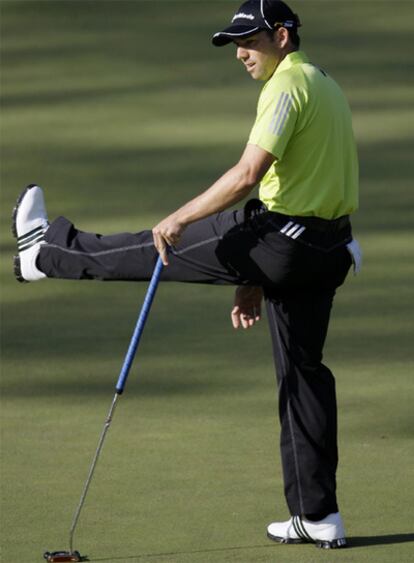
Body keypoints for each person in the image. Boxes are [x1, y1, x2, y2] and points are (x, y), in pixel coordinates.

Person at [12, 0, 362, 549]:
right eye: (235, 44)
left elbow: (248, 174)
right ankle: (318, 515)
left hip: (282, 240)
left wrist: (180, 215)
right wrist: (256, 276)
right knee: (303, 376)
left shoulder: (287, 86)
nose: (242, 53)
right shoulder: (325, 84)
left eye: (251, 41)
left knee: (157, 247)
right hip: (327, 250)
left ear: (285, 37)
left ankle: (44, 253)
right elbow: (306, 187)